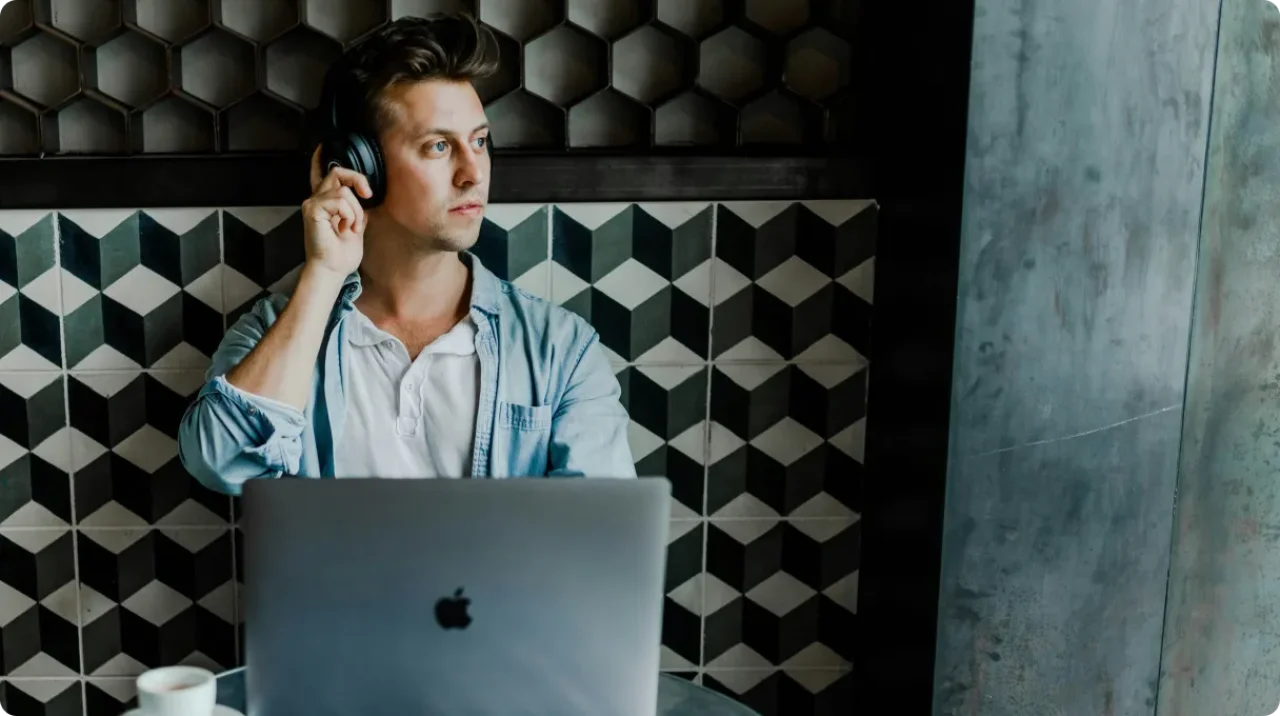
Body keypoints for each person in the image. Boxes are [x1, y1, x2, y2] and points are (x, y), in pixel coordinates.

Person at [177, 14, 635, 496]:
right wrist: (325, 274)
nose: (472, 173)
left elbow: (595, 545)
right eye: (439, 146)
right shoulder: (278, 331)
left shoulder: (560, 350)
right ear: (359, 166)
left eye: (479, 142)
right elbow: (220, 464)